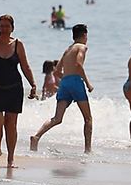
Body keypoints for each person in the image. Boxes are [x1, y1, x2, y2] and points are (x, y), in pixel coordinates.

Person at [0, 14, 37, 166]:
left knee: (11, 124)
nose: (4, 29)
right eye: (1, 26)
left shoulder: (18, 44)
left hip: (14, 88)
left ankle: (10, 157)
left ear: (12, 28)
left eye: (7, 26)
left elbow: (25, 66)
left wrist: (33, 84)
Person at [31, 24, 93, 154]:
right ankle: (88, 150)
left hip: (65, 83)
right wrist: (88, 83)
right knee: (88, 119)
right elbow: (78, 65)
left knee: (57, 118)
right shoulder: (82, 47)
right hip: (76, 81)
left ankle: (36, 137)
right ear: (85, 35)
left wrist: (67, 79)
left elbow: (57, 71)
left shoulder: (68, 49)